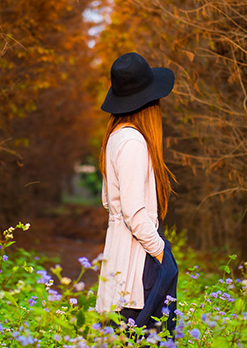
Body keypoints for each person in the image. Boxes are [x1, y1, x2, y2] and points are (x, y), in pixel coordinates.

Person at [96, 52, 179, 333]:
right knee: (147, 335)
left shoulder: (117, 136)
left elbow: (109, 201)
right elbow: (132, 210)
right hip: (138, 261)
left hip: (124, 259)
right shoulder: (133, 141)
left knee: (126, 335)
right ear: (148, 103)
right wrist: (159, 252)